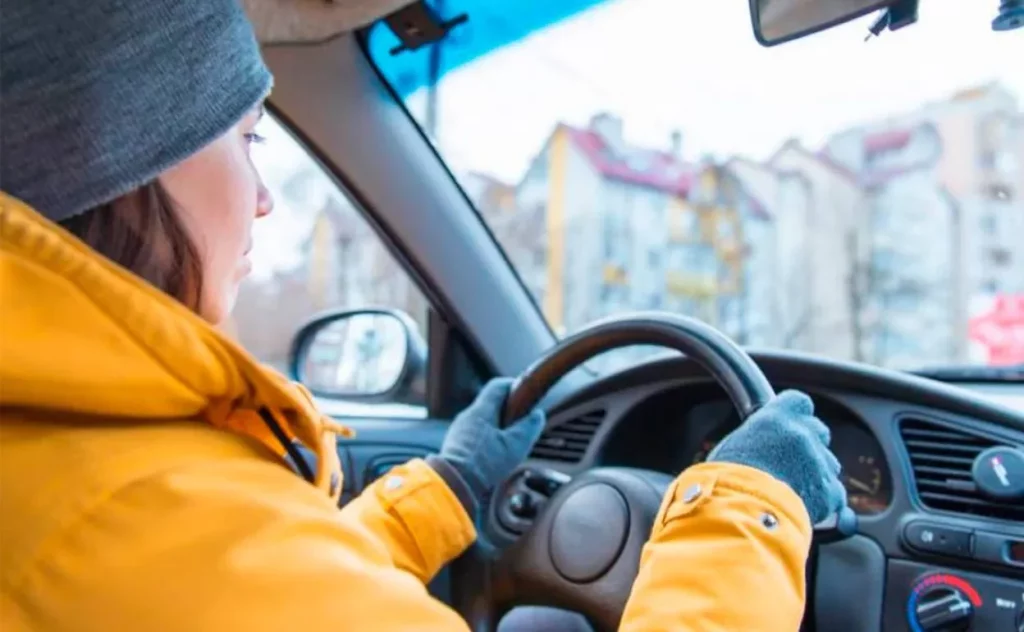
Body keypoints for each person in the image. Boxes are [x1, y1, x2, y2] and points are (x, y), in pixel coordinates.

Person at [0, 0, 847, 630]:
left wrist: (449, 486)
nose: (261, 199)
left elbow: (288, 591)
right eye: (249, 138)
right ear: (126, 153)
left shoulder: (73, 477)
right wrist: (753, 510)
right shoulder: (137, 507)